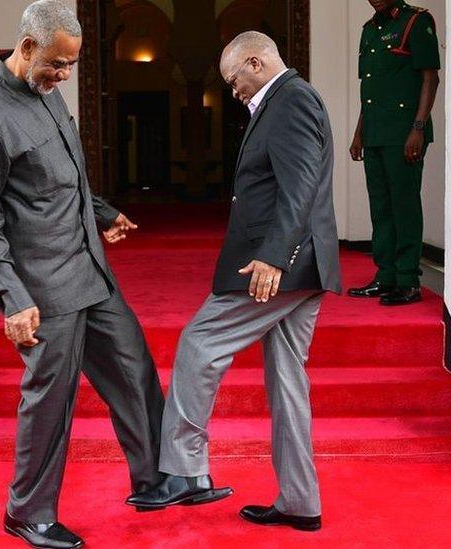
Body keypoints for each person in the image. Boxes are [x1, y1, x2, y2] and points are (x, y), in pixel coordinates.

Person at [0, 2, 163, 547]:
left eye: (71, 65)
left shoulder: (46, 92)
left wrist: (102, 212)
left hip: (90, 266)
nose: (65, 76)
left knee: (134, 367)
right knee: (52, 399)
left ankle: (155, 479)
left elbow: (61, 176)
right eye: (57, 64)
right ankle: (27, 511)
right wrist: (11, 297)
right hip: (43, 288)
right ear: (26, 48)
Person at [126, 31, 341, 532]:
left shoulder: (292, 100)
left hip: (276, 268)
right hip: (298, 266)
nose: (233, 90)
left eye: (233, 79)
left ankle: (184, 471)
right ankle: (301, 502)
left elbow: (301, 187)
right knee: (287, 384)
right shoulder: (281, 102)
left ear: (254, 60)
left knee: (199, 342)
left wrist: (274, 258)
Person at [347, 0, 440, 306]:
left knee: (404, 206)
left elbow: (430, 77)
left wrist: (418, 127)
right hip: (375, 133)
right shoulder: (369, 30)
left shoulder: (416, 22)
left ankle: (408, 280)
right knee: (381, 207)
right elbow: (371, 92)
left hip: (404, 134)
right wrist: (360, 133)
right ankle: (385, 276)